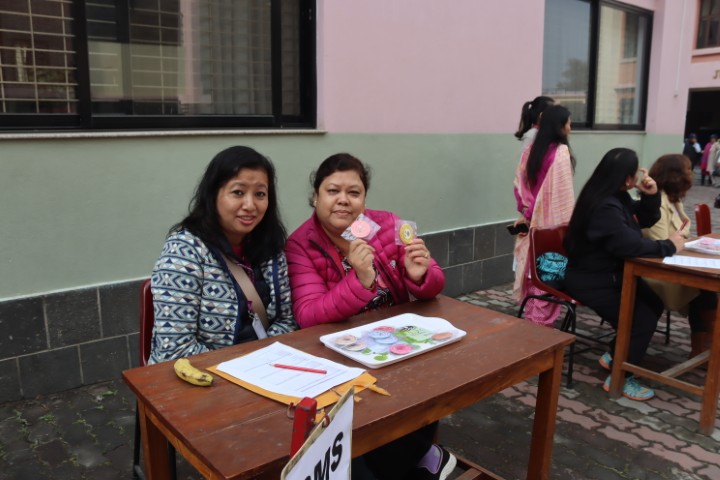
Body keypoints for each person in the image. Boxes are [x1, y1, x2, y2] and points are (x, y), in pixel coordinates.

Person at [285, 153, 452, 480]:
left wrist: (420, 276)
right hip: (343, 358)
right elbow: (308, 315)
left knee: (427, 390)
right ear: (316, 196)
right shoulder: (301, 244)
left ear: (364, 199)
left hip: (397, 347)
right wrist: (360, 280)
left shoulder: (387, 225)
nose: (343, 200)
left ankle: (418, 452)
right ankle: (419, 458)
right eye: (333, 191)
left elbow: (433, 283)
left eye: (354, 192)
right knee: (366, 436)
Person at [149, 146, 297, 364]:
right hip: (201, 375)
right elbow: (175, 350)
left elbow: (287, 321)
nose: (250, 205)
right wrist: (244, 366)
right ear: (213, 195)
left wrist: (264, 360)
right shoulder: (184, 251)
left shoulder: (270, 248)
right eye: (238, 192)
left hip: (265, 368)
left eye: (260, 194)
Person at [564, 148, 685, 401]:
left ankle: (616, 354)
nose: (638, 178)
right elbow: (628, 245)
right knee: (640, 318)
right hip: (591, 280)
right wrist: (669, 246)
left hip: (611, 274)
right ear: (627, 177)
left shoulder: (614, 196)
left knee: (653, 303)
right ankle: (620, 377)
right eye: (635, 173)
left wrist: (650, 196)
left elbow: (641, 220)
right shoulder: (604, 205)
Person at [642, 154, 717, 356]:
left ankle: (704, 347)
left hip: (675, 260)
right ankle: (703, 349)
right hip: (656, 271)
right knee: (705, 288)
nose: (691, 175)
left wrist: (684, 241)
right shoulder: (658, 203)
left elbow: (680, 236)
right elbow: (662, 241)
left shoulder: (674, 201)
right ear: (675, 176)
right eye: (688, 171)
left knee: (708, 288)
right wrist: (683, 241)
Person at [512, 104, 576, 326]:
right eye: (568, 123)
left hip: (532, 225)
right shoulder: (560, 152)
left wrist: (528, 213)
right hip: (552, 229)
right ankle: (539, 333)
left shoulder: (531, 151)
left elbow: (520, 187)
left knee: (534, 279)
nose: (570, 128)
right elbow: (560, 195)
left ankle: (530, 328)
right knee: (549, 281)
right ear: (559, 126)